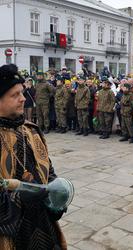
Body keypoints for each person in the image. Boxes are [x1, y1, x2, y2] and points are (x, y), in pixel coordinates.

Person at [0, 64, 67, 249]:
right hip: (11, 232)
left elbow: (48, 168)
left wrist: (57, 195)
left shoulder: (31, 130)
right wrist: (19, 199)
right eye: (15, 95)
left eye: (22, 93)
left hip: (43, 225)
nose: (23, 99)